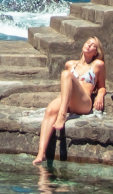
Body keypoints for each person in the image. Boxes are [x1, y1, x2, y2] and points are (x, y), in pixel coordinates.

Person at [33, 37, 106, 166]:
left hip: (83, 102)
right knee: (50, 110)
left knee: (66, 74)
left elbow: (102, 87)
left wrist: (100, 95)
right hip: (68, 101)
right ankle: (41, 153)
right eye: (87, 42)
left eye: (93, 45)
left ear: (96, 52)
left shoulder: (98, 65)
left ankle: (62, 115)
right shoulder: (70, 64)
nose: (89, 45)